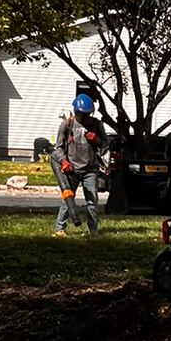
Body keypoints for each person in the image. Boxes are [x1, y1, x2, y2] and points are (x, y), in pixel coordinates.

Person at [50, 92, 106, 236]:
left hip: (90, 170)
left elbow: (106, 145)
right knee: (68, 200)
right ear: (76, 112)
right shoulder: (67, 124)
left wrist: (97, 140)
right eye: (83, 115)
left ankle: (93, 230)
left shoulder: (97, 125)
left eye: (88, 114)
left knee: (92, 201)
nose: (86, 118)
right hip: (72, 169)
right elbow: (58, 148)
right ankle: (59, 229)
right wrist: (64, 161)